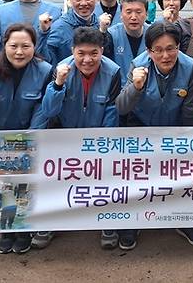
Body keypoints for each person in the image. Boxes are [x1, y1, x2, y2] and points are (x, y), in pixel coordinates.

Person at [116, 22, 193, 250]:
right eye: (158, 50)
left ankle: (185, 221)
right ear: (149, 51)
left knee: (181, 175)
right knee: (137, 178)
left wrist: (187, 143)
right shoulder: (138, 65)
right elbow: (122, 108)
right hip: (141, 128)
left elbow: (191, 109)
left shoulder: (189, 66)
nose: (165, 55)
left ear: (179, 47)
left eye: (171, 48)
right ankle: (131, 222)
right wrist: (135, 86)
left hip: (175, 128)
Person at [0, 23, 53, 254]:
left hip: (28, 136)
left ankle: (24, 228)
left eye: (25, 46)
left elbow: (43, 107)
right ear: (4, 46)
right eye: (13, 45)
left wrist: (28, 138)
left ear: (34, 47)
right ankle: (7, 230)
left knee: (25, 186)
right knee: (4, 185)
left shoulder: (45, 70)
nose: (19, 51)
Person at [41, 27, 121, 250]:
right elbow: (48, 111)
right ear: (73, 51)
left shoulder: (113, 71)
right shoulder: (60, 70)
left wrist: (102, 148)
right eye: (81, 53)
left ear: (102, 51)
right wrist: (57, 84)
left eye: (94, 53)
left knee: (106, 177)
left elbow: (112, 112)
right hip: (65, 136)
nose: (87, 60)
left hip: (98, 138)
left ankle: (108, 223)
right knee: (56, 179)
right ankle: (49, 223)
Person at [45, 0, 100, 66]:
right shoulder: (59, 27)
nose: (83, 3)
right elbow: (49, 59)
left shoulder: (100, 25)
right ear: (70, 1)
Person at [103, 0, 149, 86]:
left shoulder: (153, 34)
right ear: (121, 15)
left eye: (138, 12)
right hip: (118, 92)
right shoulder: (111, 35)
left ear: (146, 14)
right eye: (128, 12)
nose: (133, 17)